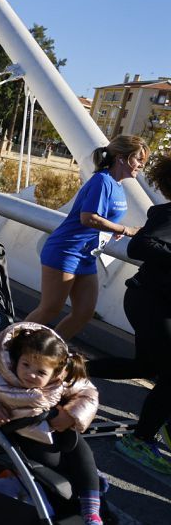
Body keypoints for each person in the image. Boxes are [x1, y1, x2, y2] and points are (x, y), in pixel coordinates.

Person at [88, 154, 171, 474]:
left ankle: (69, 369)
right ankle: (140, 439)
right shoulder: (168, 214)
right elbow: (140, 247)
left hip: (156, 301)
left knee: (146, 365)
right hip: (151, 302)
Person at [0, 323, 102, 524]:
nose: (30, 374)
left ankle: (91, 509)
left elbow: (88, 393)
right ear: (17, 358)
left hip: (55, 427)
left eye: (41, 373)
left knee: (82, 449)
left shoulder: (62, 378)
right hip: (21, 431)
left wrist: (71, 415)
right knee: (57, 463)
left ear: (55, 373)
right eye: (25, 365)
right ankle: (81, 484)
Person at [28, 135, 146, 340]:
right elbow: (88, 218)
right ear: (121, 157)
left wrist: (110, 231)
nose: (141, 165)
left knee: (83, 313)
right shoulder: (102, 181)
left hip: (86, 256)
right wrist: (124, 229)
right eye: (138, 159)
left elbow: (101, 219)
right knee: (50, 308)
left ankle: (47, 355)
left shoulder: (117, 186)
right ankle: (6, 346)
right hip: (66, 251)